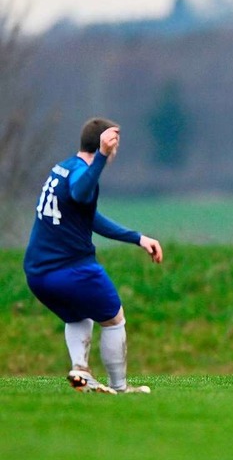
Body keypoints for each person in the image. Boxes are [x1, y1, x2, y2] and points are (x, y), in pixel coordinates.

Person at [23, 117, 163, 394]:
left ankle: (80, 371)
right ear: (104, 144)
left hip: (37, 273)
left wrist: (137, 238)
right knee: (114, 319)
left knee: (78, 317)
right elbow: (80, 190)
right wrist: (101, 157)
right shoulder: (83, 173)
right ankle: (120, 387)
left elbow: (89, 218)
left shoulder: (62, 167)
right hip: (73, 269)